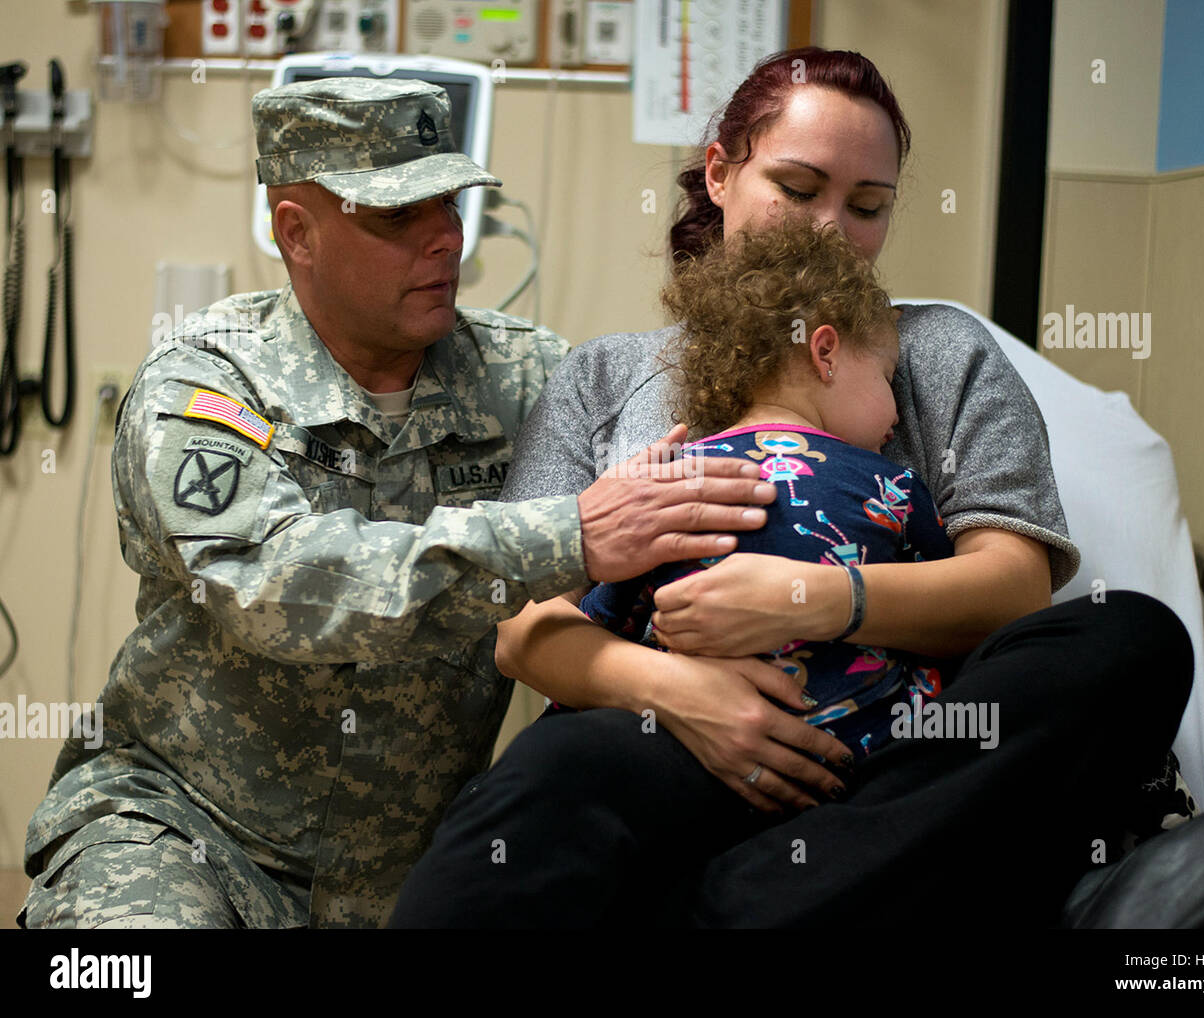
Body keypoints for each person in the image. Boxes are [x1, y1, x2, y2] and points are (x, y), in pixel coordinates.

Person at [388, 47, 1193, 928]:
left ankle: (737, 905)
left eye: (868, 206)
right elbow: (525, 628)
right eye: (800, 188)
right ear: (721, 172)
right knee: (546, 780)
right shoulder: (605, 377)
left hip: (898, 760)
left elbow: (1011, 587)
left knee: (1131, 641)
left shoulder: (940, 356)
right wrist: (677, 695)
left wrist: (812, 599)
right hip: (673, 743)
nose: (829, 229)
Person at [17, 77, 783, 930]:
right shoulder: (204, 384)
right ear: (295, 233)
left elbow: (687, 514)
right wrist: (569, 534)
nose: (446, 238)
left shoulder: (531, 379)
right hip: (186, 836)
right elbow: (276, 585)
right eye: (396, 217)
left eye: (449, 202)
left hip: (410, 873)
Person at [580, 217, 955, 762]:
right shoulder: (893, 484)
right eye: (886, 378)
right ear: (824, 353)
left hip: (692, 761)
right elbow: (951, 617)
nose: (898, 413)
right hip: (864, 769)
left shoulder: (666, 487)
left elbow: (600, 621)